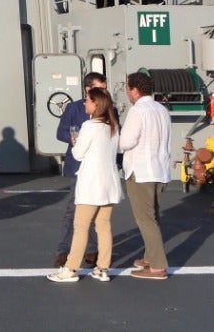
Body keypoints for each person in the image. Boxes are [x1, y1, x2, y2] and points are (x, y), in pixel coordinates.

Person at [48, 87, 121, 284]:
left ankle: (70, 268)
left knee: (80, 225)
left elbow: (78, 154)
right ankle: (103, 268)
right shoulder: (112, 126)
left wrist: (76, 141)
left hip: (91, 183)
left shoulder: (89, 126)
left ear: (96, 104)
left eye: (88, 100)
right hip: (109, 183)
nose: (84, 103)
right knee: (103, 225)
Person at [52, 72, 108, 267]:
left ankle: (92, 249)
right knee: (74, 209)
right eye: (100, 88)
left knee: (97, 211)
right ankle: (64, 251)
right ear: (88, 89)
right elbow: (61, 132)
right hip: (79, 166)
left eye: (105, 88)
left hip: (98, 167)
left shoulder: (109, 109)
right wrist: (73, 139)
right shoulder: (74, 108)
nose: (104, 92)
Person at [121, 72, 173, 280]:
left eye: (127, 88)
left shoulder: (137, 111)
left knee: (145, 219)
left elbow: (126, 141)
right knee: (153, 216)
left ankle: (158, 266)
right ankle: (150, 258)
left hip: (141, 170)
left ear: (134, 89)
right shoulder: (162, 109)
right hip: (160, 169)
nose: (127, 92)